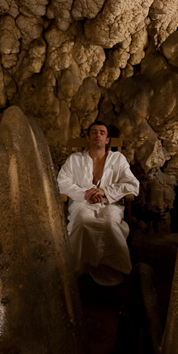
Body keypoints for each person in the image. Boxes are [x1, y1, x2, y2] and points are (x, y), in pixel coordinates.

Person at [57, 120, 140, 286]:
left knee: (109, 223)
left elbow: (132, 184)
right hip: (82, 202)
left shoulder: (118, 159)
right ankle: (79, 268)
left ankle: (113, 270)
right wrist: (85, 193)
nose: (98, 135)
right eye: (94, 132)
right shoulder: (75, 160)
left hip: (110, 203)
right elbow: (61, 182)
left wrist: (105, 192)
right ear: (88, 138)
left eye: (102, 133)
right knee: (81, 221)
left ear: (107, 140)